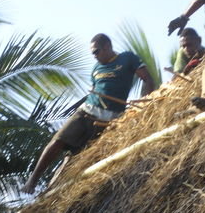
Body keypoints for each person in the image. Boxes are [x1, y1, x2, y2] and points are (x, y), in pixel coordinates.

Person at [21, 33, 155, 194]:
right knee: (58, 141)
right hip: (86, 112)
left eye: (96, 51)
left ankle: (56, 190)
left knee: (79, 158)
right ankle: (32, 181)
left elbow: (147, 79)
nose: (94, 56)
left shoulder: (127, 58)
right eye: (92, 53)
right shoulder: (96, 69)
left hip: (109, 122)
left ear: (107, 46)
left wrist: (144, 105)